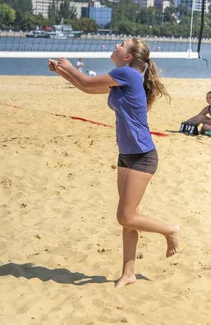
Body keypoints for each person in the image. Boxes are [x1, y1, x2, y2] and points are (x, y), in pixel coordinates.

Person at [48, 37, 180, 288]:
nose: (117, 45)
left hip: (143, 154)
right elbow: (87, 88)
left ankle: (170, 230)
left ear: (128, 56)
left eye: (122, 43)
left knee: (125, 216)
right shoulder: (123, 78)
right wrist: (63, 73)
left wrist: (68, 66)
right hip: (126, 154)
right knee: (129, 218)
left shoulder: (128, 74)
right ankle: (129, 273)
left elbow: (86, 80)